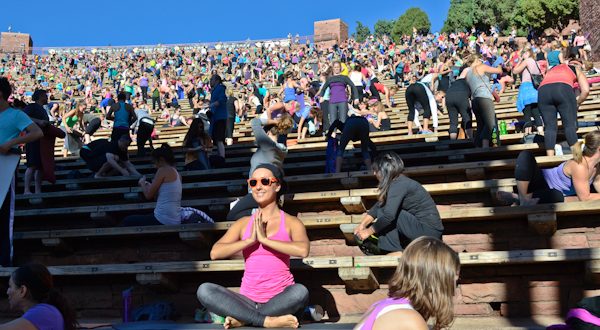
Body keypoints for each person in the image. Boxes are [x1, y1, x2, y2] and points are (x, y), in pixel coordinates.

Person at [197, 164, 310, 329]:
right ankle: (266, 321)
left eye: (265, 181)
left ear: (277, 185)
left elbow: (303, 250)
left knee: (300, 292)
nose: (258, 187)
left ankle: (244, 319)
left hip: (280, 299)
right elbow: (215, 252)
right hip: (247, 301)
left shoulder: (292, 222)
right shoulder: (243, 224)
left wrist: (265, 240)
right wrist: (249, 241)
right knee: (204, 290)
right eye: (253, 182)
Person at [354, 237, 460, 330]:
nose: (454, 289)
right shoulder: (409, 320)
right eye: (452, 280)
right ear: (435, 280)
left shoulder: (382, 306)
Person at [354, 152, 444, 254]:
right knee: (385, 208)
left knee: (387, 213)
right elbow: (377, 206)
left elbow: (388, 215)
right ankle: (392, 249)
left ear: (385, 170)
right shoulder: (397, 182)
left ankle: (393, 251)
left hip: (428, 233)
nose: (374, 173)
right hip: (426, 231)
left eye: (376, 170)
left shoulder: (399, 184)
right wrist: (362, 225)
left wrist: (368, 232)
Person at [0, 77, 43, 267]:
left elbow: (37, 132)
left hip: (6, 166)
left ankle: (4, 261)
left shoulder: (15, 115)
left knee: (3, 213)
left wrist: (11, 143)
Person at [501, 131, 600, 206]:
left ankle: (519, 198)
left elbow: (597, 183)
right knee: (525, 155)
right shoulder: (580, 166)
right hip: (540, 182)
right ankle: (523, 198)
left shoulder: (596, 165)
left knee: (557, 196)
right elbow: (584, 198)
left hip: (554, 195)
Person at [227, 116, 292, 221]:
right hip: (267, 189)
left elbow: (255, 122)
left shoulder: (268, 145)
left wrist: (274, 121)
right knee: (240, 217)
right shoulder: (280, 149)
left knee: (231, 216)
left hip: (259, 190)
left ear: (267, 133)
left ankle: (261, 214)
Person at [538, 57, 590, 156]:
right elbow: (586, 91)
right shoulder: (576, 69)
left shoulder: (553, 69)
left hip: (543, 91)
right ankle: (577, 159)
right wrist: (577, 103)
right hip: (562, 88)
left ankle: (550, 161)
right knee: (569, 126)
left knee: (550, 128)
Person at [3, 263, 78, 330]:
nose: (7, 291)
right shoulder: (46, 310)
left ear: (22, 290)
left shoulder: (42, 313)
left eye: (10, 286)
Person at [122, 144, 182, 226]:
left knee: (127, 220)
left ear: (161, 160)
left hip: (163, 218)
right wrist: (151, 186)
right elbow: (157, 197)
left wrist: (142, 183)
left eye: (155, 162)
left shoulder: (163, 170)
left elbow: (148, 196)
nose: (155, 166)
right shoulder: (178, 174)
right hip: (174, 219)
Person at [464, 54, 504, 147]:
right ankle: (485, 146)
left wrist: (495, 95)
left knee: (480, 125)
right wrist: (499, 64)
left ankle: (479, 148)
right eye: (480, 60)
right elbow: (499, 71)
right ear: (476, 61)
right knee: (490, 123)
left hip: (475, 101)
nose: (481, 61)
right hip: (484, 98)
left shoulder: (467, 74)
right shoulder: (481, 67)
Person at [23, 90, 51, 195]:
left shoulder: (43, 109)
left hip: (42, 140)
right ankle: (26, 190)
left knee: (40, 166)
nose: (47, 97)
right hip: (33, 139)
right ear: (40, 96)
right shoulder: (32, 107)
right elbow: (23, 117)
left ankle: (38, 190)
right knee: (32, 165)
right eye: (45, 95)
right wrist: (39, 121)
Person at [512, 49, 543, 135]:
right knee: (536, 113)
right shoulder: (536, 62)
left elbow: (514, 71)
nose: (523, 54)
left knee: (527, 113)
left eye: (524, 53)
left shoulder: (527, 61)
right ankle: (541, 132)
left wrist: (520, 60)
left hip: (526, 89)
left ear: (528, 53)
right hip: (535, 90)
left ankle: (527, 134)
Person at [318, 61, 359, 125]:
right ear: (333, 68)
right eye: (335, 67)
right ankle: (333, 134)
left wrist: (356, 98)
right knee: (333, 121)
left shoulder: (344, 77)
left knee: (343, 120)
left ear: (340, 68)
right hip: (332, 102)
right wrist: (321, 96)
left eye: (338, 67)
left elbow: (353, 86)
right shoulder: (330, 79)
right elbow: (323, 89)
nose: (336, 68)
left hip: (342, 101)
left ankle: (344, 134)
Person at [209, 74, 228, 158]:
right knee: (216, 139)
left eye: (212, 79)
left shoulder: (220, 88)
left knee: (219, 139)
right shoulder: (214, 90)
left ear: (216, 80)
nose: (210, 81)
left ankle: (222, 157)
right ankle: (220, 156)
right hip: (215, 117)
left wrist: (212, 104)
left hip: (220, 117)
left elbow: (222, 99)